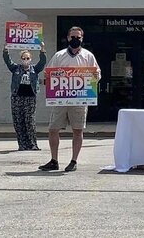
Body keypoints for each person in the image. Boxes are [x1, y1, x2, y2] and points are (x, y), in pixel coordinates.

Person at [39, 27, 101, 172]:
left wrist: (91, 78)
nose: (75, 39)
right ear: (67, 38)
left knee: (77, 130)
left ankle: (74, 161)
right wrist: (47, 81)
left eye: (78, 37)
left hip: (79, 101)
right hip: (61, 99)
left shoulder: (88, 56)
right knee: (53, 129)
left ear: (82, 39)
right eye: (73, 37)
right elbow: (48, 74)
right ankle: (54, 160)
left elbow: (97, 74)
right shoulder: (59, 56)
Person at [3, 43, 47, 151]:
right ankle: (22, 144)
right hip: (17, 97)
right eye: (23, 58)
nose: (25, 60)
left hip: (30, 98)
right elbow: (8, 61)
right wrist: (5, 50)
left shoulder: (34, 70)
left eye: (27, 58)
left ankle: (32, 144)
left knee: (29, 121)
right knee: (18, 121)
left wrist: (42, 50)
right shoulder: (15, 69)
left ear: (31, 59)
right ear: (21, 59)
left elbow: (42, 63)